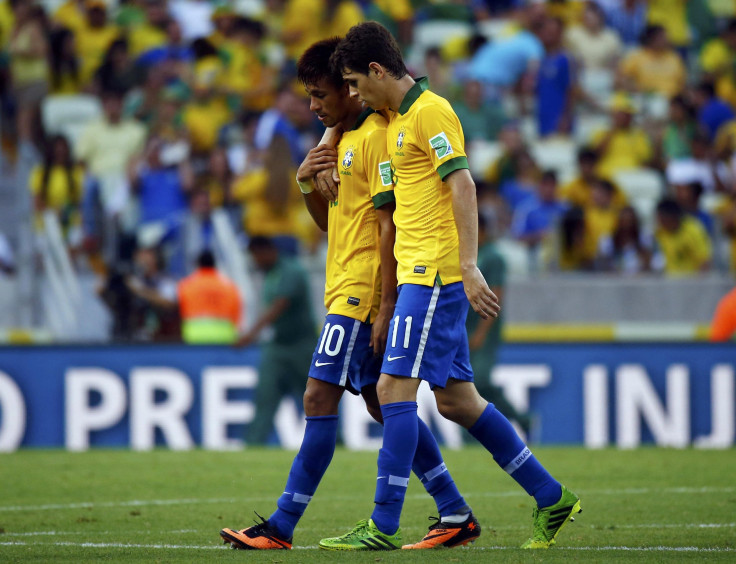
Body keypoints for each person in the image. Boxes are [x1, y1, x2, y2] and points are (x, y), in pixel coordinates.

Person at [323, 21, 580, 551]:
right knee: (458, 402)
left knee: (392, 391)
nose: (352, 94)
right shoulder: (395, 122)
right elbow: (395, 211)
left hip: (435, 274)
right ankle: (551, 497)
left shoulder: (432, 111)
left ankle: (383, 523)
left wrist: (468, 265)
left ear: (377, 70)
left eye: (354, 82)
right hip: (417, 275)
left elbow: (462, 183)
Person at [220, 37, 476, 551]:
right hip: (342, 286)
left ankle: (282, 525)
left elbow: (388, 226)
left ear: (352, 89)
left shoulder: (381, 135)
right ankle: (453, 509)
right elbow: (329, 222)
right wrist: (306, 182)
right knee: (385, 406)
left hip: (364, 290)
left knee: (321, 396)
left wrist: (385, 301)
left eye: (321, 94)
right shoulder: (339, 140)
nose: (312, 105)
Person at [237, 236, 316, 444]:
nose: (255, 261)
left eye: (256, 256)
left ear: (267, 251)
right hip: (277, 346)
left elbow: (280, 305)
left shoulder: (291, 270)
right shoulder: (270, 274)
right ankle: (253, 446)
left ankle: (335, 444)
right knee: (265, 396)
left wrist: (251, 334)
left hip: (302, 346)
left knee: (317, 400)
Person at [467, 213, 529, 431]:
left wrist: (481, 333)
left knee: (479, 381)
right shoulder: (469, 254)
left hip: (482, 330)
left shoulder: (493, 257)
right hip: (464, 328)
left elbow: (496, 295)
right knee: (462, 384)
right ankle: (469, 435)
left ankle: (519, 418)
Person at [177, 249, 241, 343]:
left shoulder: (186, 285)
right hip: (224, 337)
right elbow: (236, 315)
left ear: (198, 264)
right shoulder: (229, 286)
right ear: (215, 264)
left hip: (193, 336)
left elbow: (180, 312)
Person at [653, 198, 712, 275]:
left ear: (673, 217)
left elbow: (704, 261)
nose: (661, 223)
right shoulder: (660, 231)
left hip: (691, 281)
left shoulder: (693, 230)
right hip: (669, 281)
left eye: (664, 220)